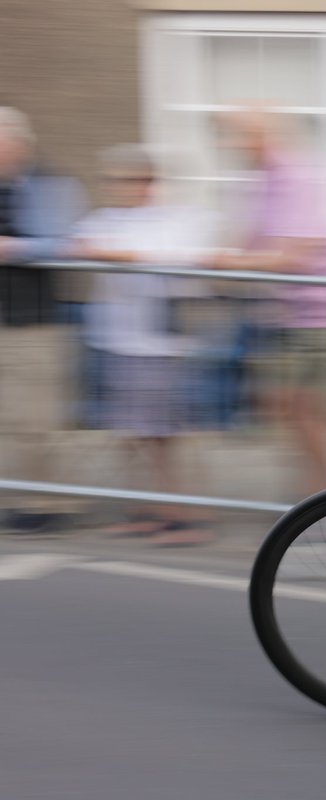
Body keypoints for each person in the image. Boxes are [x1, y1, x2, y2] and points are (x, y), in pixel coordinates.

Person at [206, 107, 326, 499]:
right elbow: (251, 240)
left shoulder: (296, 175)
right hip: (283, 313)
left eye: (238, 135)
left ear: (263, 135)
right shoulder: (261, 181)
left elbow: (296, 253)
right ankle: (317, 498)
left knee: (308, 412)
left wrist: (229, 262)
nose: (230, 144)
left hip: (316, 313)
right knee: (288, 409)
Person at [70, 144, 216, 544]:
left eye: (135, 179)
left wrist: (119, 254)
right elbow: (80, 244)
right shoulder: (105, 218)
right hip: (118, 342)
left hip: (160, 346)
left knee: (166, 437)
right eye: (117, 180)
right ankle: (145, 511)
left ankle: (185, 518)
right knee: (129, 435)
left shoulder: (178, 219)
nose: (126, 187)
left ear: (151, 181)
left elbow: (176, 259)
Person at [0, 107, 87, 533]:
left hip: (34, 320)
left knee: (39, 419)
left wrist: (13, 248)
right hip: (6, 317)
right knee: (14, 419)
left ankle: (51, 504)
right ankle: (27, 498)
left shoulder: (50, 183)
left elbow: (63, 242)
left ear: (18, 143)